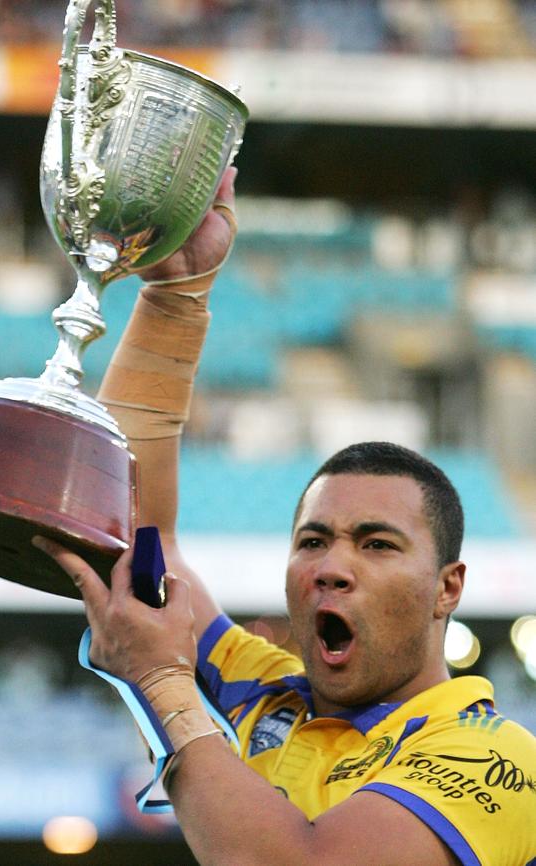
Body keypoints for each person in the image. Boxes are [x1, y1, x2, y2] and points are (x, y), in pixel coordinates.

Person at [33, 168, 536, 866]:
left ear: (447, 588)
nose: (333, 567)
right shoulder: (266, 692)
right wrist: (174, 296)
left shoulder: (495, 757)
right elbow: (131, 538)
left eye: (378, 544)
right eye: (313, 541)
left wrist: (165, 685)